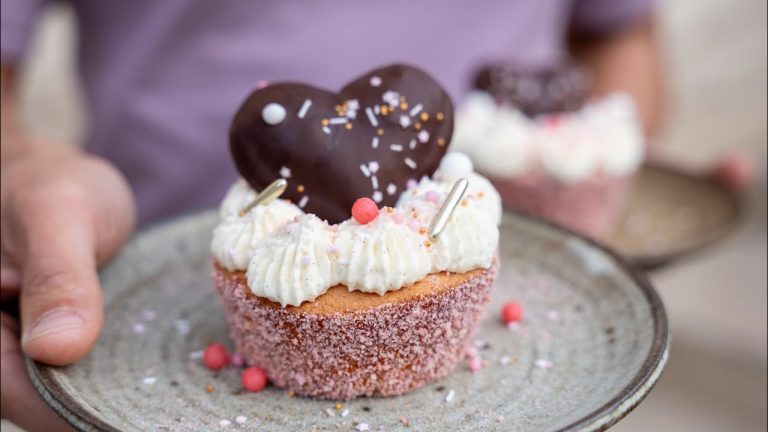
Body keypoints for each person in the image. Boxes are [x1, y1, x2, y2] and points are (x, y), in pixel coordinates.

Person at [0, 1, 661, 429]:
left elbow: (622, 36)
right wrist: (19, 170)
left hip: (458, 225)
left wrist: (595, 168)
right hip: (137, 263)